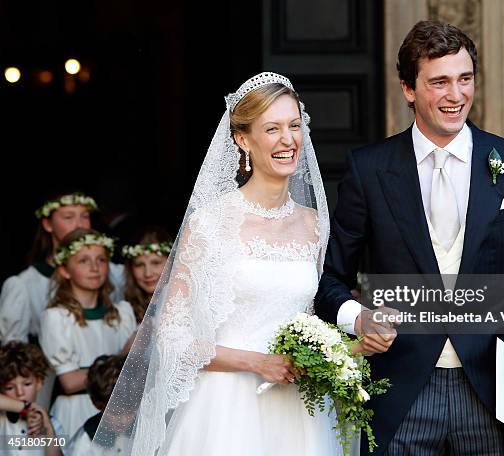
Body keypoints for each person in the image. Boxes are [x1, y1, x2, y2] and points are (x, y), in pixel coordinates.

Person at [315, 21, 504, 455]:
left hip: (494, 395)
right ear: (408, 89)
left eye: (465, 79)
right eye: (440, 82)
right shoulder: (369, 170)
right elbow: (329, 282)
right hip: (400, 393)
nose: (456, 95)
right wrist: (358, 318)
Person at [94, 72, 340, 455]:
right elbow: (173, 338)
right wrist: (258, 362)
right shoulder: (210, 223)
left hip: (300, 410)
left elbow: (318, 313)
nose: (288, 140)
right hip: (226, 408)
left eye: (294, 126)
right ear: (242, 139)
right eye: (272, 129)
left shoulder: (315, 224)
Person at [39, 228, 136, 439]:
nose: (94, 268)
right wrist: (122, 361)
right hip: (76, 411)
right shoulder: (57, 318)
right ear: (65, 270)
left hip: (119, 412)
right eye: (83, 261)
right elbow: (70, 382)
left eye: (101, 260)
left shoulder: (123, 313)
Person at [0, 192, 125, 344]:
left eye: (85, 216)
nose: (79, 225)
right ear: (48, 224)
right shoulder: (24, 284)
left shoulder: (111, 272)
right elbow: (13, 350)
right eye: (68, 217)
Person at [0, 341, 64, 456]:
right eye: (10, 387)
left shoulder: (51, 423)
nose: (20, 393)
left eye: (27, 384)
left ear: (39, 382)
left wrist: (47, 428)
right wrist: (26, 408)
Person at [66, 354, 126, 455]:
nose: (123, 419)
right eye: (115, 413)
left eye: (129, 411)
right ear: (98, 404)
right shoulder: (85, 442)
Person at [121, 226, 172, 324]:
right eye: (139, 265)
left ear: (171, 264)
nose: (148, 273)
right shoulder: (125, 314)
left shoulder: (189, 305)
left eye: (156, 263)